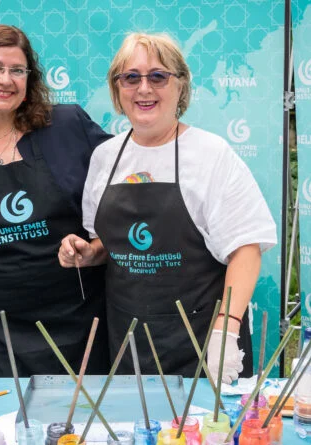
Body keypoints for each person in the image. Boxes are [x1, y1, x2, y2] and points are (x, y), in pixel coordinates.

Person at [58, 33, 277, 382]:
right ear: (117, 89)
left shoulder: (210, 154)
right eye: (131, 77)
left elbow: (246, 249)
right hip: (129, 341)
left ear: (181, 86)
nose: (144, 88)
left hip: (203, 343)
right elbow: (109, 243)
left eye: (158, 76)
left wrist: (226, 329)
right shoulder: (105, 158)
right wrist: (89, 252)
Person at [0, 25, 112, 377]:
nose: (6, 79)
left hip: (78, 316)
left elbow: (122, 185)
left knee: (87, 409)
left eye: (17, 70)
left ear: (30, 79)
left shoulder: (67, 125)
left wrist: (98, 247)